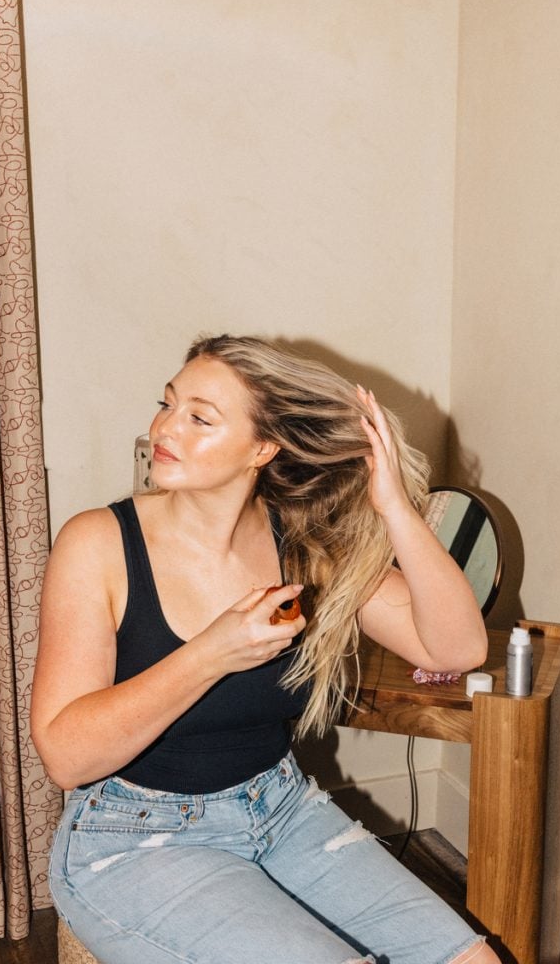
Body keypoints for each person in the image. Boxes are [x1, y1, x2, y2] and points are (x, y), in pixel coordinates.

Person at [31, 334, 500, 964]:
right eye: (167, 404)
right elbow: (66, 757)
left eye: (200, 417)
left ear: (263, 448)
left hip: (282, 809)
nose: (166, 427)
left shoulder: (304, 544)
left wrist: (394, 508)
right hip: (135, 838)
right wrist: (212, 653)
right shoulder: (98, 545)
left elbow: (456, 648)